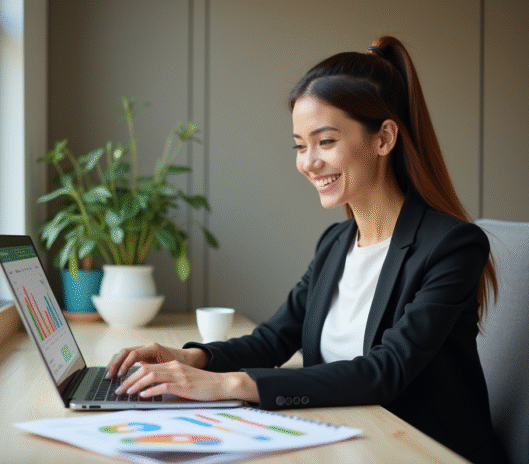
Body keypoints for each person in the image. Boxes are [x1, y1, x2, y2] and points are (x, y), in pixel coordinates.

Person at [106, 36, 507, 464]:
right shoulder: (335, 244)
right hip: (346, 439)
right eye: (300, 145)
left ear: (385, 138)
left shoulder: (451, 245)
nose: (309, 162)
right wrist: (192, 357)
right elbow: (275, 338)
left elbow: (386, 371)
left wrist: (228, 385)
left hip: (419, 449)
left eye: (326, 142)